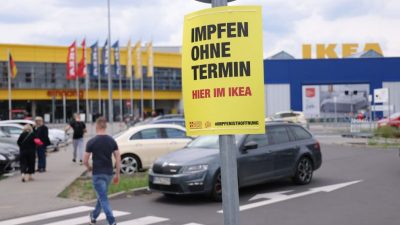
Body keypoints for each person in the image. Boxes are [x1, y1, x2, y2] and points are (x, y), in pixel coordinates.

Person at [83, 117, 121, 225]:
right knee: (102, 196)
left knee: (103, 198)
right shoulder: (112, 140)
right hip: (109, 173)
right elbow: (118, 157)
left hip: (98, 174)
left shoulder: (91, 141)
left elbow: (85, 160)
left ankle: (111, 221)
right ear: (105, 127)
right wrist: (117, 173)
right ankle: (94, 216)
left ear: (97, 127)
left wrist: (89, 168)